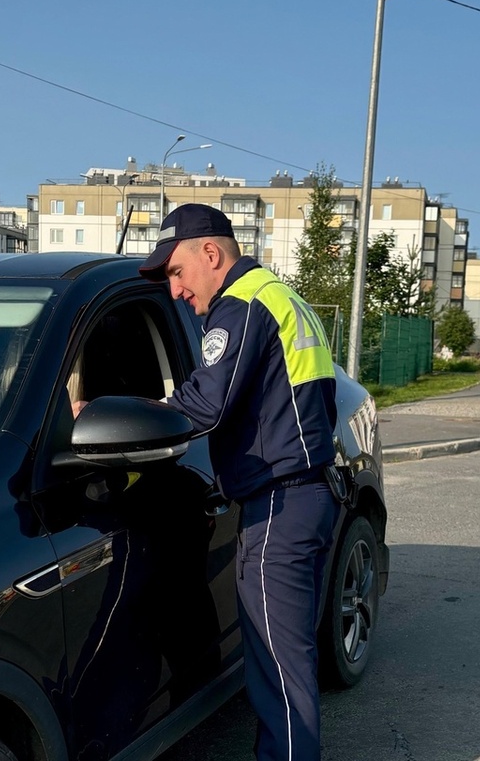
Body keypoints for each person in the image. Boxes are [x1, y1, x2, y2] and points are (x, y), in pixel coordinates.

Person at [138, 203, 339, 761]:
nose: (175, 290)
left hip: (280, 505)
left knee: (280, 677)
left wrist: (121, 411)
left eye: (176, 272)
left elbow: (206, 403)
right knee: (285, 669)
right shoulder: (280, 295)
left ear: (210, 253)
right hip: (302, 496)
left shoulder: (241, 302)